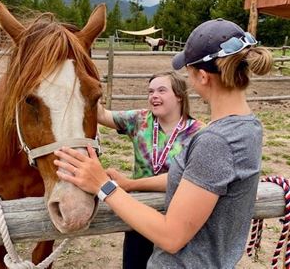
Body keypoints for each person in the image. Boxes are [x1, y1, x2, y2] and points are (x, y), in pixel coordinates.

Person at [54, 18, 273, 268]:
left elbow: (172, 237)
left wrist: (103, 185)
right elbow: (197, 182)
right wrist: (130, 183)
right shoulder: (248, 127)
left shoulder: (215, 141)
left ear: (202, 76)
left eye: (188, 72)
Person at [97, 71, 204, 268]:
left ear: (179, 95)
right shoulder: (139, 120)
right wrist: (87, 85)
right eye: (150, 91)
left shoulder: (198, 133)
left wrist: (129, 185)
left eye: (162, 90)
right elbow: (101, 115)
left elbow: (183, 178)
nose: (154, 95)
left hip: (177, 216)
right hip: (138, 213)